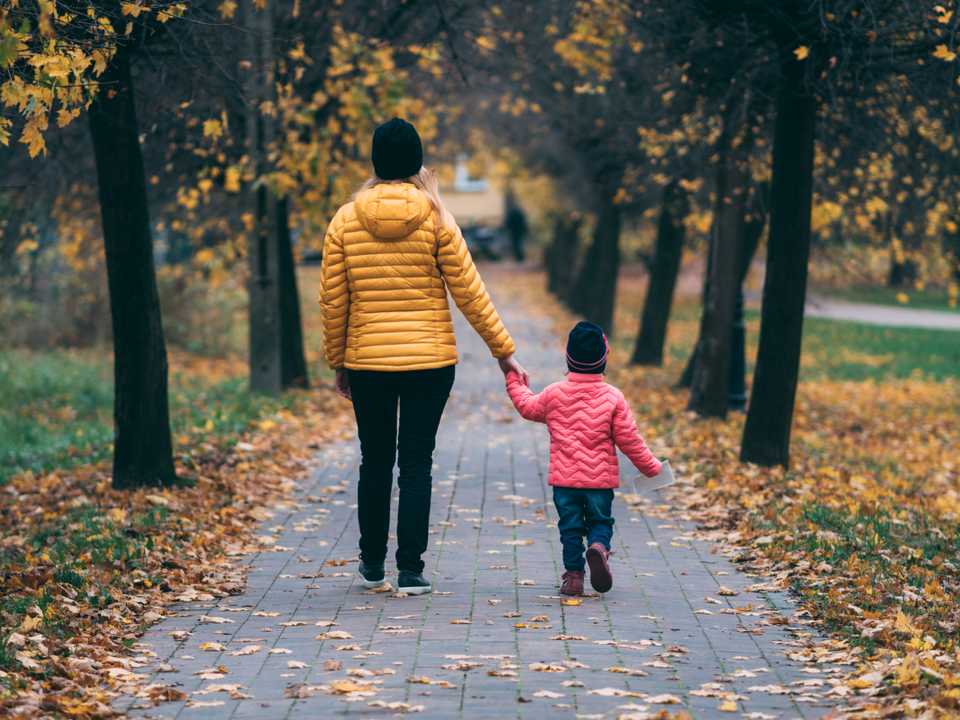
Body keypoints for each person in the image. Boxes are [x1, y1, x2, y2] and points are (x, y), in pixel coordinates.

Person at [318, 118, 528, 596]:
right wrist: (504, 353)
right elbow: (470, 292)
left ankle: (371, 567)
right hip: (430, 365)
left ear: (375, 161)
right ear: (417, 161)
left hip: (368, 362)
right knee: (416, 464)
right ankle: (410, 571)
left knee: (374, 461)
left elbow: (334, 300)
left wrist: (339, 361)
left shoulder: (345, 220)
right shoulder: (437, 217)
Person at [504, 321, 663, 596]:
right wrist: (652, 468)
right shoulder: (613, 398)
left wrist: (512, 378)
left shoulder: (554, 393)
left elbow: (527, 407)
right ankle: (599, 548)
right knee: (600, 522)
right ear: (604, 359)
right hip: (600, 483)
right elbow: (630, 440)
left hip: (564, 483)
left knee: (570, 529)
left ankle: (574, 577)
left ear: (568, 358)